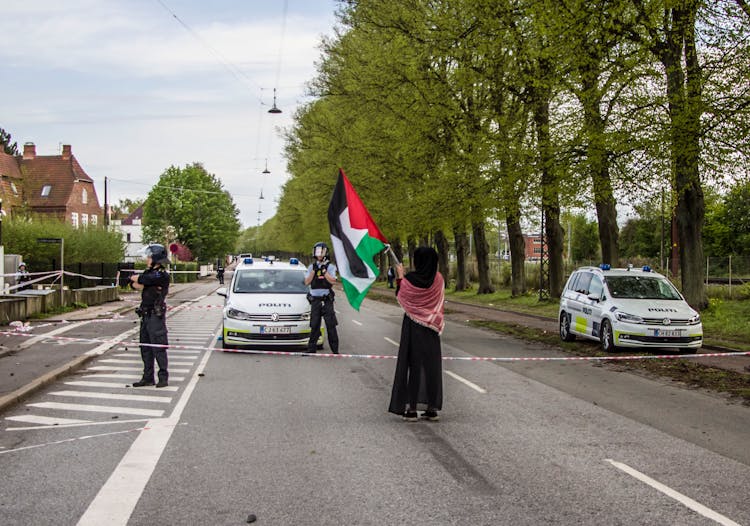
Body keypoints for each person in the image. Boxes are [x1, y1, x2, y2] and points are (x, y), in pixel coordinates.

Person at [388, 247, 445, 422]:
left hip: (413, 327)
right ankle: (431, 408)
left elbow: (401, 295)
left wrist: (400, 276)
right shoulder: (439, 279)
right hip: (431, 328)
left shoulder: (409, 279)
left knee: (412, 364)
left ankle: (411, 409)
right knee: (431, 366)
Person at [129, 244, 170, 388]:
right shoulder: (150, 273)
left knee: (158, 346)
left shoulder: (161, 275)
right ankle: (147, 377)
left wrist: (138, 279)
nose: (147, 259)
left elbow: (141, 280)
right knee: (145, 347)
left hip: (155, 316)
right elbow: (135, 284)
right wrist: (137, 280)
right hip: (145, 315)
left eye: (149, 256)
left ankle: (163, 377)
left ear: (156, 259)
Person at [303, 242, 339, 354]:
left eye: (321, 251)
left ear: (325, 252)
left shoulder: (331, 267)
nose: (319, 254)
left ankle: (335, 350)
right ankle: (311, 349)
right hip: (315, 300)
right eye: (317, 251)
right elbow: (306, 282)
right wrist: (313, 272)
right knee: (314, 325)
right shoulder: (311, 267)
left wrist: (324, 271)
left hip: (326, 300)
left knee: (330, 325)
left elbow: (333, 281)